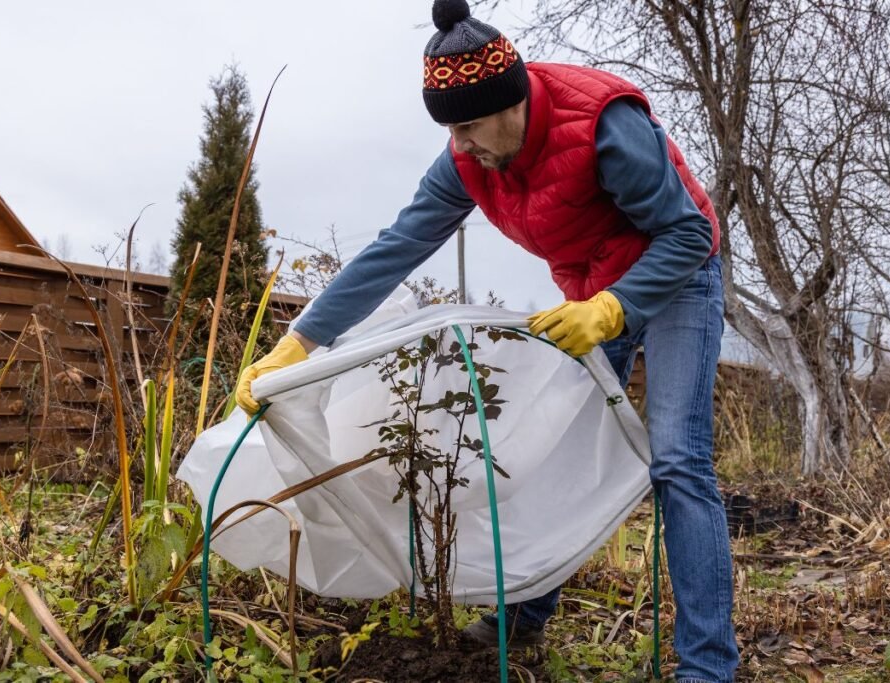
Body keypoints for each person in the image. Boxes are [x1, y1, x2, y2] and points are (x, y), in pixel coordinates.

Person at [236, 1, 739, 680]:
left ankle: (708, 665)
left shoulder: (602, 126)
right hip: (592, 287)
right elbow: (396, 248)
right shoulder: (469, 159)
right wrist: (302, 341)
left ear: (513, 103)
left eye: (468, 125)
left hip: (676, 274)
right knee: (555, 451)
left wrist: (614, 308)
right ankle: (521, 617)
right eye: (450, 129)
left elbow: (688, 234)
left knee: (677, 458)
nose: (460, 143)